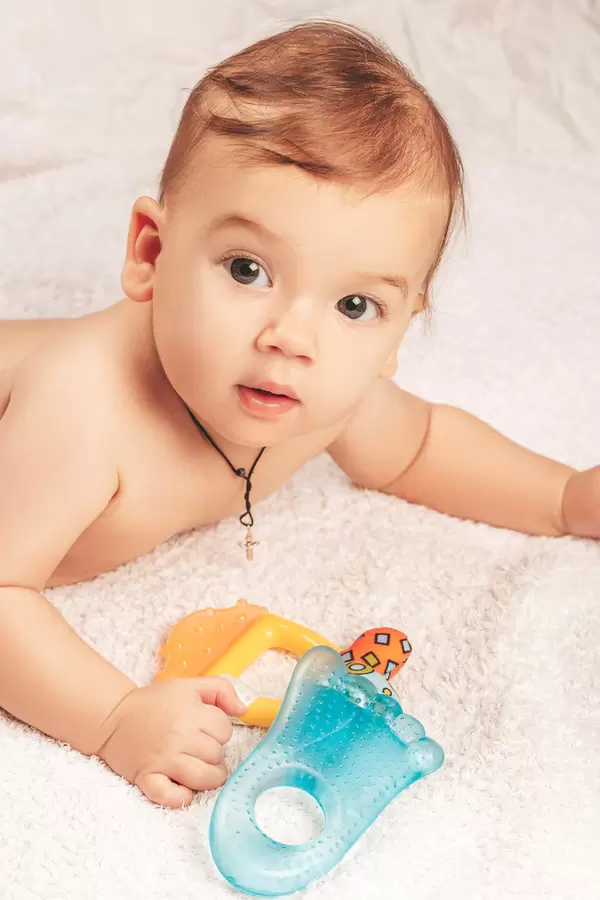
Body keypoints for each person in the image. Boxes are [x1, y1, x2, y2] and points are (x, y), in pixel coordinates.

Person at [0, 20, 596, 808]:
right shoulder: (83, 410)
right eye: (248, 269)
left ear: (400, 331)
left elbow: (417, 447)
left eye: (356, 304)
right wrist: (115, 717)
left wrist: (562, 498)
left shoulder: (318, 396)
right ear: (151, 252)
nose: (293, 337)